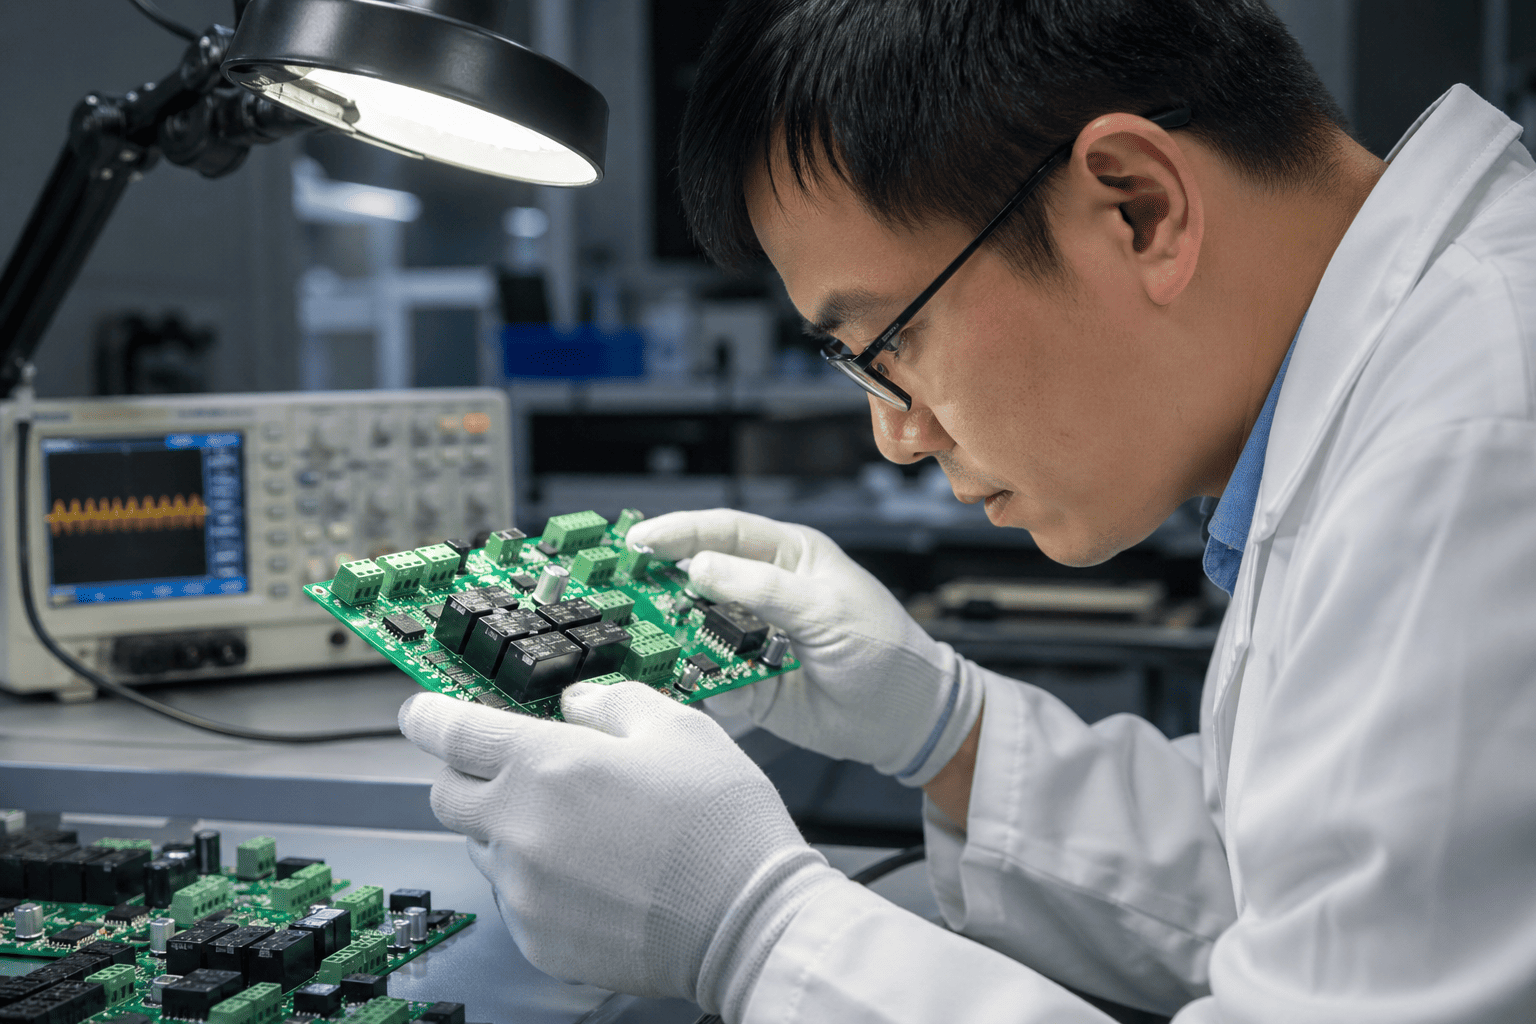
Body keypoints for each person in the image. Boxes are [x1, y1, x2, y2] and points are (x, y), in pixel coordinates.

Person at [398, 0, 1536, 1020]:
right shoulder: (1415, 381)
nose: (897, 433)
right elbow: (1299, 889)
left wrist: (759, 930)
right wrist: (945, 730)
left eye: (889, 341)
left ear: (1137, 208)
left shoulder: (1478, 456)